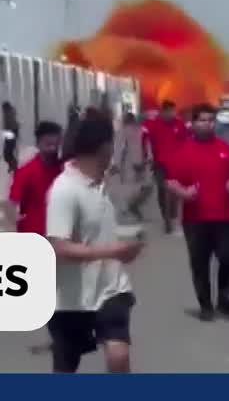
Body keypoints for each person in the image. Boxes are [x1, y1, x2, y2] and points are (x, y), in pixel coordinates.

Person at [45, 112, 144, 373]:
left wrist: (126, 242)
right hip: (71, 297)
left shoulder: (101, 182)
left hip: (112, 290)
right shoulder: (64, 191)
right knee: (65, 369)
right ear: (105, 147)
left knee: (118, 356)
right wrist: (115, 251)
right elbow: (59, 246)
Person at [166, 103, 229, 321]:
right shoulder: (183, 151)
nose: (208, 124)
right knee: (200, 263)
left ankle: (225, 299)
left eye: (211, 120)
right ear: (193, 123)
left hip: (224, 216)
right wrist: (184, 192)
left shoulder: (225, 150)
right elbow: (171, 182)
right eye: (203, 120)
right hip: (196, 219)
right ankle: (206, 305)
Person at [6, 121, 65, 235]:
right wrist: (18, 222)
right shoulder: (25, 172)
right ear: (38, 144)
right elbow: (12, 204)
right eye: (48, 144)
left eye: (56, 144)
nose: (53, 149)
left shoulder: (63, 170)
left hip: (58, 237)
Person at [142, 100, 187, 233]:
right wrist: (147, 155)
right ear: (163, 111)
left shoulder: (179, 124)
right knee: (162, 190)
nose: (172, 114)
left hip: (177, 164)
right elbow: (144, 139)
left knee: (175, 191)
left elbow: (186, 141)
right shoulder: (152, 124)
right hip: (159, 163)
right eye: (169, 112)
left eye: (173, 112)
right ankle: (165, 216)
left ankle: (172, 215)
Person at [116, 111, 152, 221]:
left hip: (130, 162)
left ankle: (130, 206)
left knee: (133, 186)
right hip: (141, 162)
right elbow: (147, 146)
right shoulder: (143, 130)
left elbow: (120, 149)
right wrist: (149, 158)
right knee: (145, 186)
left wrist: (118, 164)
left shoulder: (123, 132)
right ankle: (132, 206)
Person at [2, 102, 21, 175]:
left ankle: (14, 166)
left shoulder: (8, 113)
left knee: (7, 153)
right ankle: (13, 166)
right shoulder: (10, 112)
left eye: (3, 109)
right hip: (11, 132)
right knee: (8, 152)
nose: (2, 111)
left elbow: (8, 125)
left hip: (11, 132)